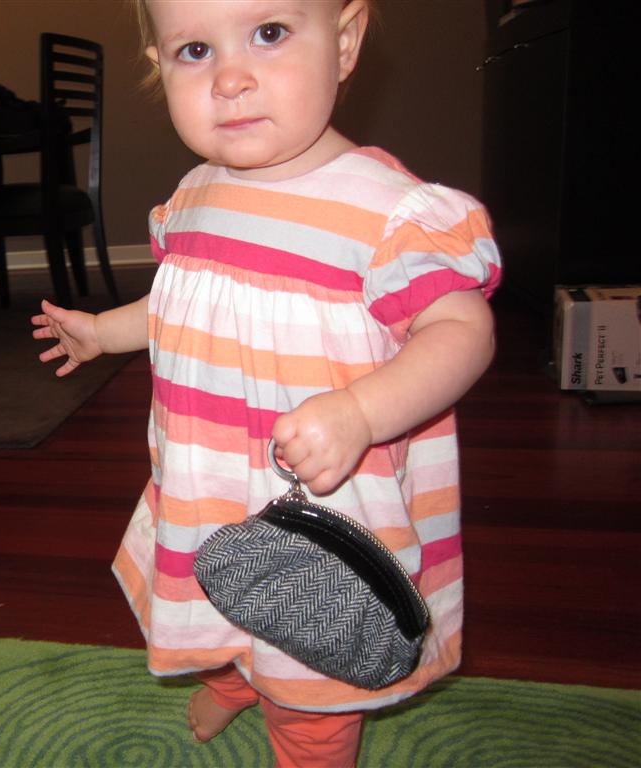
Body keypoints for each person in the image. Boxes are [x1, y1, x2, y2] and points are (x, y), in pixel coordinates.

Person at [31, 2, 501, 765]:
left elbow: (463, 332)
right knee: (220, 586)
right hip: (212, 476)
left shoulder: (392, 215)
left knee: (313, 661)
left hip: (326, 498)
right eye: (194, 51)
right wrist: (105, 331)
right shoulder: (193, 197)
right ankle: (237, 678)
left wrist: (361, 411)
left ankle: (292, 709)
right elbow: (182, 296)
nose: (230, 79)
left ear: (344, 43)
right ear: (159, 67)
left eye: (269, 34)